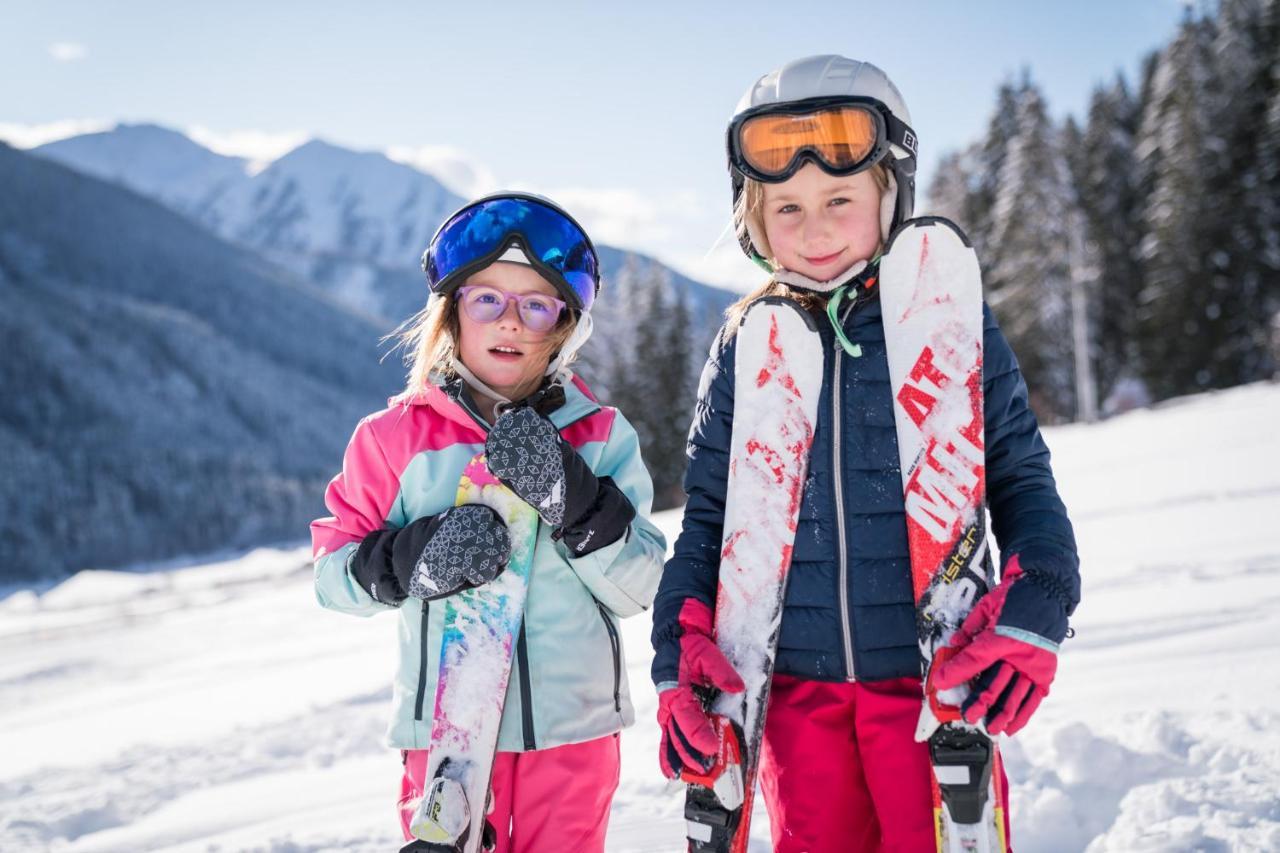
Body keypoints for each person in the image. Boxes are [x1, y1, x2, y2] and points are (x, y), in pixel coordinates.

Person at [650, 55, 1080, 852]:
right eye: (786, 207)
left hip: (930, 687)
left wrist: (1041, 598)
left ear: (892, 194)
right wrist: (679, 651)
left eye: (839, 199)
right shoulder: (746, 347)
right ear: (752, 217)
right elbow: (708, 520)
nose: (813, 228)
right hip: (792, 698)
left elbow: (1020, 475)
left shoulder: (946, 325)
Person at [311, 192, 666, 852]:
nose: (510, 321)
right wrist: (408, 560)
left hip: (571, 737)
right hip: (446, 744)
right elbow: (332, 575)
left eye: (535, 304)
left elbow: (638, 584)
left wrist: (576, 499)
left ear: (563, 324)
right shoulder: (393, 440)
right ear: (453, 313)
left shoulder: (599, 436)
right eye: (487, 300)